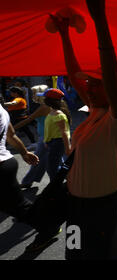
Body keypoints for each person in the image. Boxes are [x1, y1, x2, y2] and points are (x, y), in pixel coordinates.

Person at [49, 0, 117, 259]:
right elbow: (76, 76)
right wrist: (65, 35)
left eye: (96, 82)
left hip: (101, 203)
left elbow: (110, 78)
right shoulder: (95, 112)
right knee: (73, 253)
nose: (89, 85)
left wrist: (100, 21)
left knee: (95, 254)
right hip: (75, 201)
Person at [0, 103, 62, 252]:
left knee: (18, 206)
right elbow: (11, 135)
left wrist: (24, 153)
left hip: (1, 167)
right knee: (14, 205)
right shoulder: (2, 110)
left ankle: (49, 226)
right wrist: (24, 153)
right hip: (5, 162)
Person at [15, 85, 51, 188]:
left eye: (34, 93)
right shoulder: (46, 105)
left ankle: (27, 181)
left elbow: (28, 120)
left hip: (45, 137)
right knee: (46, 161)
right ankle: (29, 181)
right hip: (47, 136)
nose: (32, 95)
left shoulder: (44, 107)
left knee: (36, 160)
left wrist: (11, 129)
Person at [40, 89, 72, 181]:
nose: (43, 99)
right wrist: (47, 141)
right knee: (54, 167)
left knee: (52, 169)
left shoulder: (59, 114)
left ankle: (55, 189)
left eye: (45, 97)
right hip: (53, 143)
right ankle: (67, 182)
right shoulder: (52, 111)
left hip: (57, 143)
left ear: (49, 100)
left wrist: (67, 148)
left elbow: (64, 132)